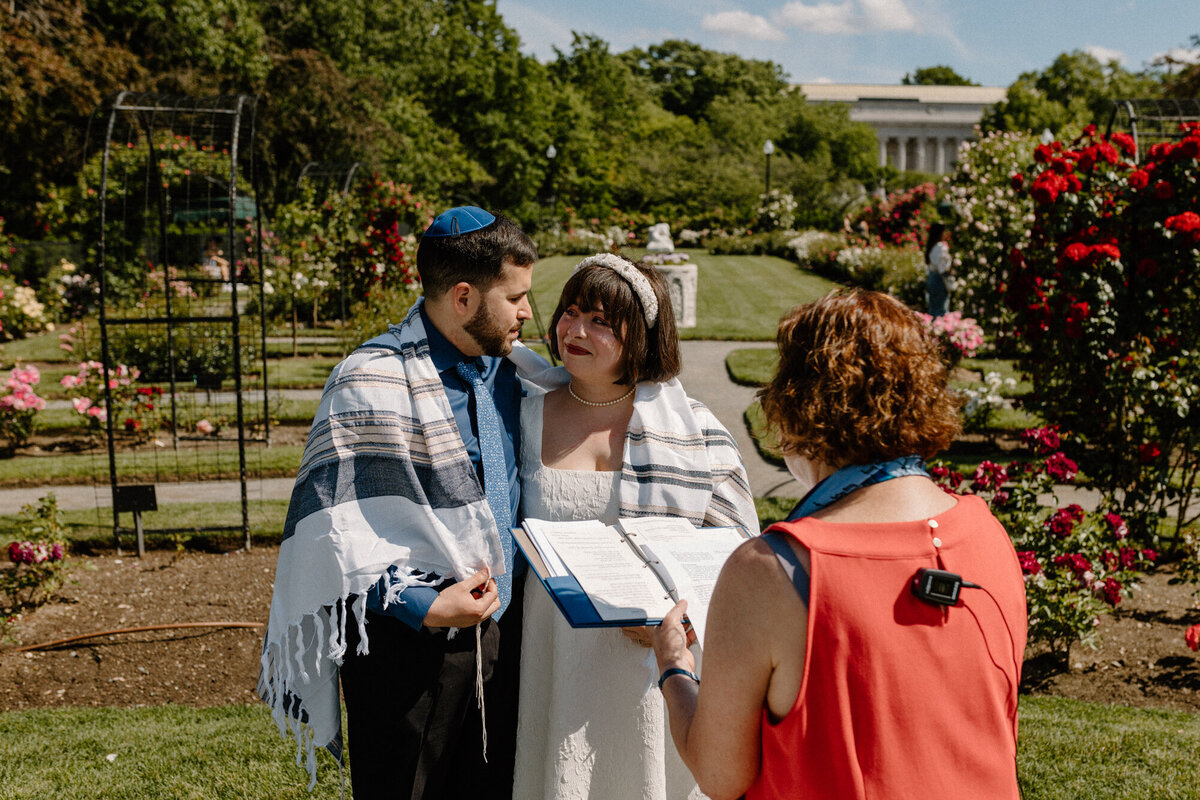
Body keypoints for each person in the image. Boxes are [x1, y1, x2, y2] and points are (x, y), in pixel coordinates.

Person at [650, 289, 1027, 799]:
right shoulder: (988, 532)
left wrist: (675, 669)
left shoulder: (773, 568)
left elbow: (720, 775)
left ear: (796, 404)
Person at [258, 206, 540, 799]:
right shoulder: (369, 382)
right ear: (463, 297)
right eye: (515, 297)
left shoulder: (518, 375)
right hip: (407, 650)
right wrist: (425, 605)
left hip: (504, 637)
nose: (527, 312)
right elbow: (333, 527)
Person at [513, 252, 759, 800]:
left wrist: (682, 624)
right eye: (571, 311)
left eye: (601, 320)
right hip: (552, 644)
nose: (574, 330)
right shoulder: (522, 411)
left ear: (641, 336)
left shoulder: (693, 432)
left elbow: (736, 554)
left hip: (649, 656)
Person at [924, 222, 952, 317]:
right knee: (940, 309)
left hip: (931, 277)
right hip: (938, 279)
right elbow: (942, 268)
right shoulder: (941, 247)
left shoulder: (932, 246)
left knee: (933, 308)